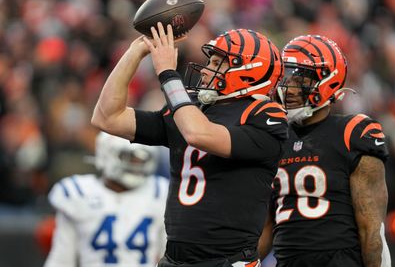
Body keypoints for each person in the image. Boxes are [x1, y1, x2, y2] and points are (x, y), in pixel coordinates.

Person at [91, 23, 288, 267]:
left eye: (217, 63)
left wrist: (167, 74)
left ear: (248, 71)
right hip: (175, 259)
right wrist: (136, 51)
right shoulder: (193, 108)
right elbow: (107, 117)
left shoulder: (265, 115)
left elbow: (197, 133)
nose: (206, 70)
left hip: (226, 260)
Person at [258, 35, 391, 267]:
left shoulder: (352, 132)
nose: (288, 88)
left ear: (328, 81)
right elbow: (266, 226)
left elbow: (371, 229)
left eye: (300, 79)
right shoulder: (274, 136)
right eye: (286, 77)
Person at [44, 132, 169, 267]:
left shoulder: (160, 192)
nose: (136, 163)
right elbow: (61, 260)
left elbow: (169, 256)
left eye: (141, 159)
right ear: (107, 155)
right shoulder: (77, 194)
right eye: (128, 157)